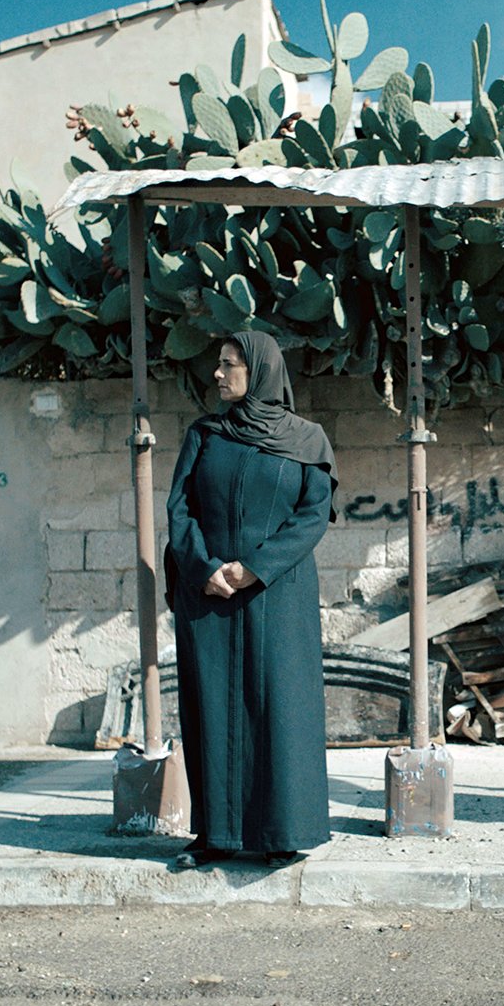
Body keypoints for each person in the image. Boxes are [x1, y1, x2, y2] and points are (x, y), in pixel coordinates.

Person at [165, 330, 338, 868]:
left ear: (259, 370)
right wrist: (205, 569)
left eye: (229, 364)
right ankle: (215, 836)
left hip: (277, 595)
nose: (217, 374)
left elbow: (312, 515)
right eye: (218, 363)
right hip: (209, 594)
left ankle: (281, 834)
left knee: (279, 710)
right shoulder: (205, 434)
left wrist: (255, 569)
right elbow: (179, 509)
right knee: (211, 708)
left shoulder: (308, 441)